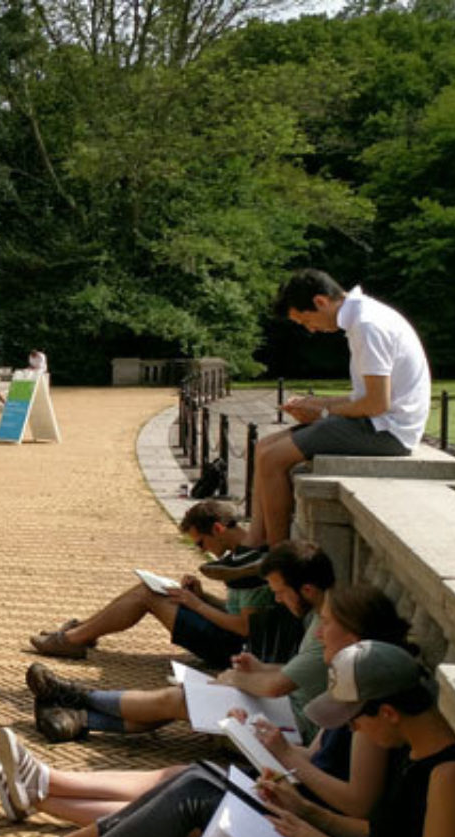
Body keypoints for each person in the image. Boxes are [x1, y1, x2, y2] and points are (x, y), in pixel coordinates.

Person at [0, 585, 415, 837]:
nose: (317, 632)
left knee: (190, 792)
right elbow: (317, 755)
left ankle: (46, 793)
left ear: (355, 638)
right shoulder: (349, 688)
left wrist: (289, 760)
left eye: (326, 623)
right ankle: (46, 787)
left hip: (302, 809)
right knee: (186, 776)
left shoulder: (369, 706)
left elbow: (358, 803)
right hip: (295, 793)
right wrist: (270, 745)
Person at [26, 541, 334, 743]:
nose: (278, 599)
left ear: (306, 589)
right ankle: (77, 718)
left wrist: (239, 678)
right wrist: (262, 667)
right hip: (287, 709)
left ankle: (75, 696)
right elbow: (301, 672)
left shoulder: (328, 626)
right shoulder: (319, 614)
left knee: (179, 700)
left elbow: (276, 686)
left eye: (281, 592)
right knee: (185, 701)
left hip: (294, 728)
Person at [248, 270, 431, 550]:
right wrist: (317, 404)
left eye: (306, 320)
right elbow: (366, 398)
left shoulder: (368, 325)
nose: (310, 329)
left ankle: (278, 556)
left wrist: (322, 414)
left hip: (388, 432)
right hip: (378, 423)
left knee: (273, 459)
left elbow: (376, 404)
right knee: (264, 448)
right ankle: (252, 545)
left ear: (321, 302)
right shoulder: (363, 317)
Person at [265, 641, 455, 837]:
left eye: (353, 720)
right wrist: (305, 811)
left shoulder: (450, 775)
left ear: (388, 713)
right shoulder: (413, 749)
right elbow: (389, 834)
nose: (353, 730)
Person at [29, 501, 285, 671]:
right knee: (149, 588)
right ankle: (83, 631)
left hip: (232, 651)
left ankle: (74, 638)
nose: (203, 550)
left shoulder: (247, 567)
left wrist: (196, 604)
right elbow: (239, 612)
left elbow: (245, 626)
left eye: (201, 543)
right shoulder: (242, 556)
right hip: (231, 640)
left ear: (217, 529)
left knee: (147, 594)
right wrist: (202, 597)